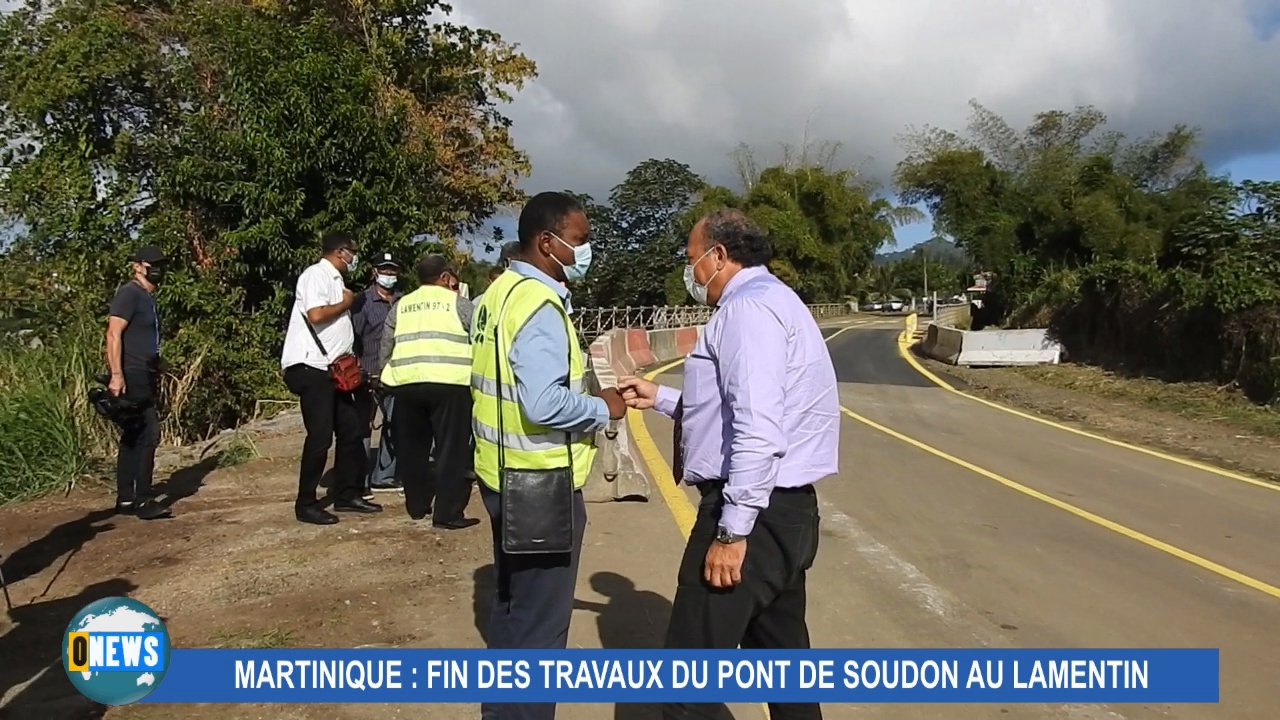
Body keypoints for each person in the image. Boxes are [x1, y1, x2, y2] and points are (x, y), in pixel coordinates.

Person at [619, 208, 839, 720]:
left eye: (693, 259)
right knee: (785, 669)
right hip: (785, 510)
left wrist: (731, 531)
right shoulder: (776, 300)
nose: (691, 272)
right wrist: (662, 398)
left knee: (684, 685)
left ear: (719, 255)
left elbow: (758, 426)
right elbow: (730, 409)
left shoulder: (748, 312)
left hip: (753, 513)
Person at [471, 191, 626, 720]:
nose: (584, 253)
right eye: (578, 242)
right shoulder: (538, 305)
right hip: (539, 483)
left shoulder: (498, 294)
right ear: (547, 242)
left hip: (500, 476)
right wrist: (601, 407)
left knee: (512, 610)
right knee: (539, 630)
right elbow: (541, 402)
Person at [280, 231, 383, 525]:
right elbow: (315, 315)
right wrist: (346, 303)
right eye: (353, 252)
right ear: (340, 252)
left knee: (351, 431)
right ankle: (306, 502)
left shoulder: (336, 280)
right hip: (312, 368)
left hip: (334, 369)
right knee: (320, 436)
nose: (355, 257)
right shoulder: (316, 275)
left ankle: (347, 493)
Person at [378, 254, 478, 529]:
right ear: (445, 277)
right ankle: (446, 514)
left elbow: (386, 346)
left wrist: (384, 377)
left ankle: (416, 505)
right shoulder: (460, 304)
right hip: (451, 384)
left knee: (412, 449)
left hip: (407, 385)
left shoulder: (401, 305)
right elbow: (480, 340)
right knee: (450, 450)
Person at [104, 246, 172, 521]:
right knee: (148, 434)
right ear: (137, 266)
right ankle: (143, 499)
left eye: (160, 264)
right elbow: (113, 334)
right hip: (132, 374)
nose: (158, 268)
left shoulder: (147, 298)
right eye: (152, 264)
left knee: (132, 436)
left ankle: (126, 498)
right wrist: (116, 374)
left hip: (144, 371)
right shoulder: (129, 294)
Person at [353, 252, 402, 496]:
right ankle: (359, 481)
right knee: (363, 429)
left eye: (393, 271)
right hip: (367, 375)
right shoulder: (363, 302)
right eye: (385, 270)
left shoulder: (403, 301)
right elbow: (354, 338)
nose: (389, 275)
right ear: (374, 272)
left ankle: (384, 476)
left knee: (395, 425)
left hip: (395, 376)